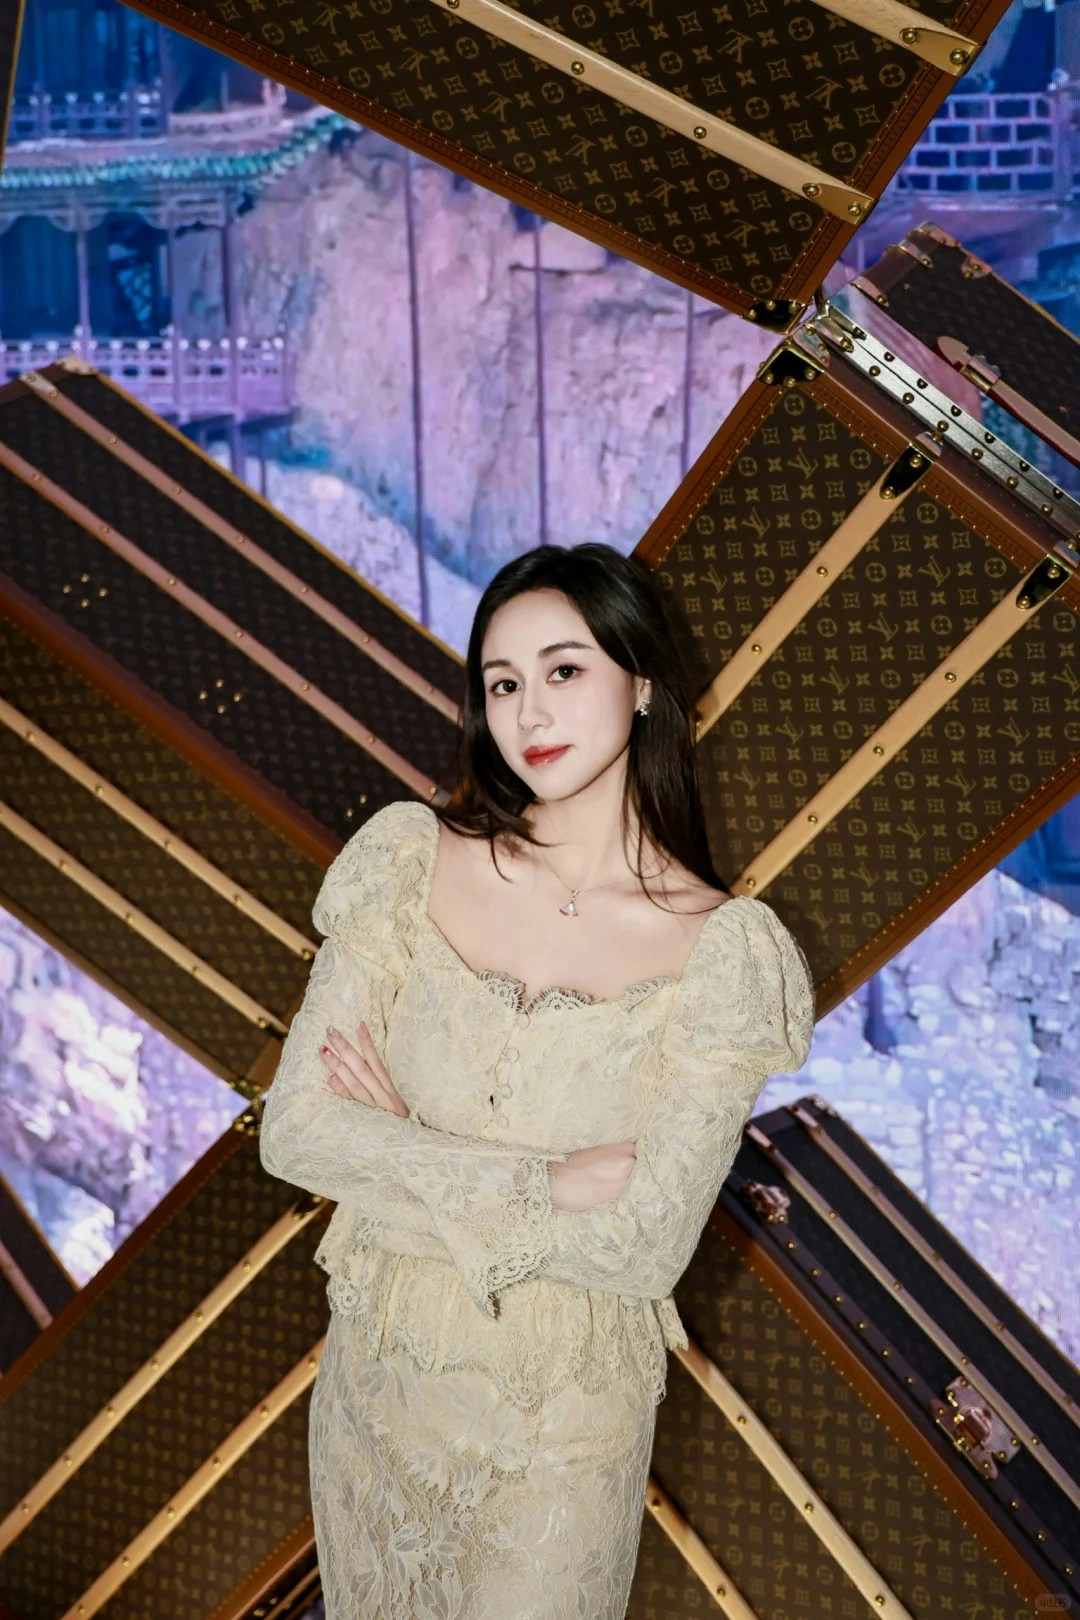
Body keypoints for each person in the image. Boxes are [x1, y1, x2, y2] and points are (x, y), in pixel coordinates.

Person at [258, 542, 816, 1619]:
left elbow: (646, 1245)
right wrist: (548, 1181)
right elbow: (298, 1133)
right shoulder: (410, 860)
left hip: (564, 1430)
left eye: (564, 669)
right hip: (379, 1393)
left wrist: (398, 1148)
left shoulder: (726, 953)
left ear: (641, 683)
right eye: (503, 683)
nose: (530, 712)